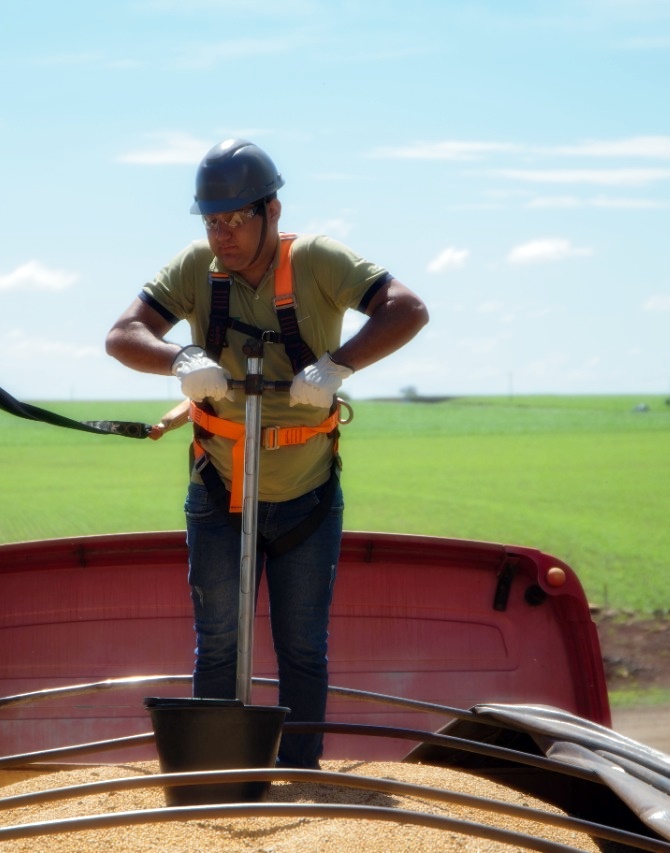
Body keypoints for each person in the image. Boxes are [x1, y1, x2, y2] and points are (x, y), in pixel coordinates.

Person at [105, 138, 428, 768]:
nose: (221, 234)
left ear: (271, 211)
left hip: (306, 493)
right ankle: (216, 774)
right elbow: (122, 336)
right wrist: (181, 357)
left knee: (302, 645)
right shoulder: (197, 267)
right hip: (219, 487)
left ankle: (298, 772)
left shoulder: (318, 261)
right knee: (219, 642)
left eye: (235, 219)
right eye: (211, 220)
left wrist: (339, 364)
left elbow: (406, 309)